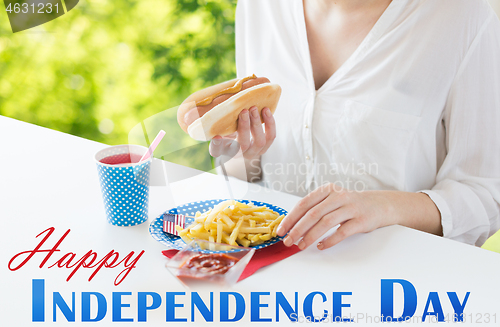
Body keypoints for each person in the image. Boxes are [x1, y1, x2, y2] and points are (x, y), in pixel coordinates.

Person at [187, 0, 500, 250]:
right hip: (275, 275)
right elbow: (254, 175)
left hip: (397, 286)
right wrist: (248, 154)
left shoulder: (462, 17)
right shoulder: (259, 7)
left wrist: (384, 206)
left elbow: (485, 194)